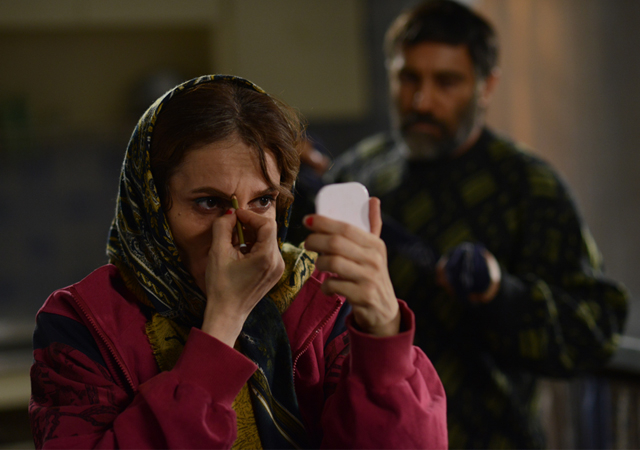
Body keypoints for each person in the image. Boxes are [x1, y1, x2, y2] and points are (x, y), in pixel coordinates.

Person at [28, 75, 448, 449]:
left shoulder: (323, 298)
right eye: (208, 203)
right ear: (151, 206)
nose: (241, 230)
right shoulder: (82, 322)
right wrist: (223, 322)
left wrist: (384, 337)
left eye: (262, 200)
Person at [323, 1, 630, 448]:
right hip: (372, 436)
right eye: (409, 78)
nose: (422, 101)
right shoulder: (359, 173)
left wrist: (501, 294)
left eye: (446, 82)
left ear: (487, 86)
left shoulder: (529, 187)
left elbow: (594, 331)